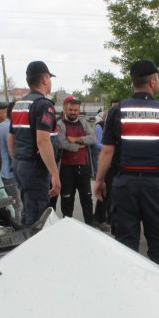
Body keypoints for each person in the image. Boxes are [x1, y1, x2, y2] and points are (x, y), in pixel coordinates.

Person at [93, 59, 159, 264]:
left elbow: (107, 151)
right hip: (155, 185)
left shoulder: (117, 111)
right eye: (158, 78)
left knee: (126, 246)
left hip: (125, 185)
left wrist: (99, 181)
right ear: (152, 82)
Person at [10, 61, 60, 226]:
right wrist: (54, 173)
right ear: (45, 79)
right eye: (50, 78)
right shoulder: (44, 105)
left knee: (27, 209)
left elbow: (11, 137)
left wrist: (17, 159)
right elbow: (43, 140)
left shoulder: (19, 104)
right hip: (35, 167)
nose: (50, 81)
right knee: (37, 216)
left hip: (20, 164)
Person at [56, 96, 95, 225]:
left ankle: (90, 226)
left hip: (83, 166)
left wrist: (75, 139)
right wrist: (80, 146)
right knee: (67, 198)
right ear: (65, 110)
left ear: (79, 110)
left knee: (87, 198)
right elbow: (62, 143)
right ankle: (67, 226)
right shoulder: (60, 124)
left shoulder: (84, 122)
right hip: (66, 168)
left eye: (76, 110)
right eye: (71, 109)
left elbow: (93, 139)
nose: (73, 112)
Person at [0, 102, 22, 221]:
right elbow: (13, 152)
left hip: (2, 170)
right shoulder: (11, 127)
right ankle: (18, 231)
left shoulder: (0, 126)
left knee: (9, 204)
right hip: (11, 172)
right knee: (17, 205)